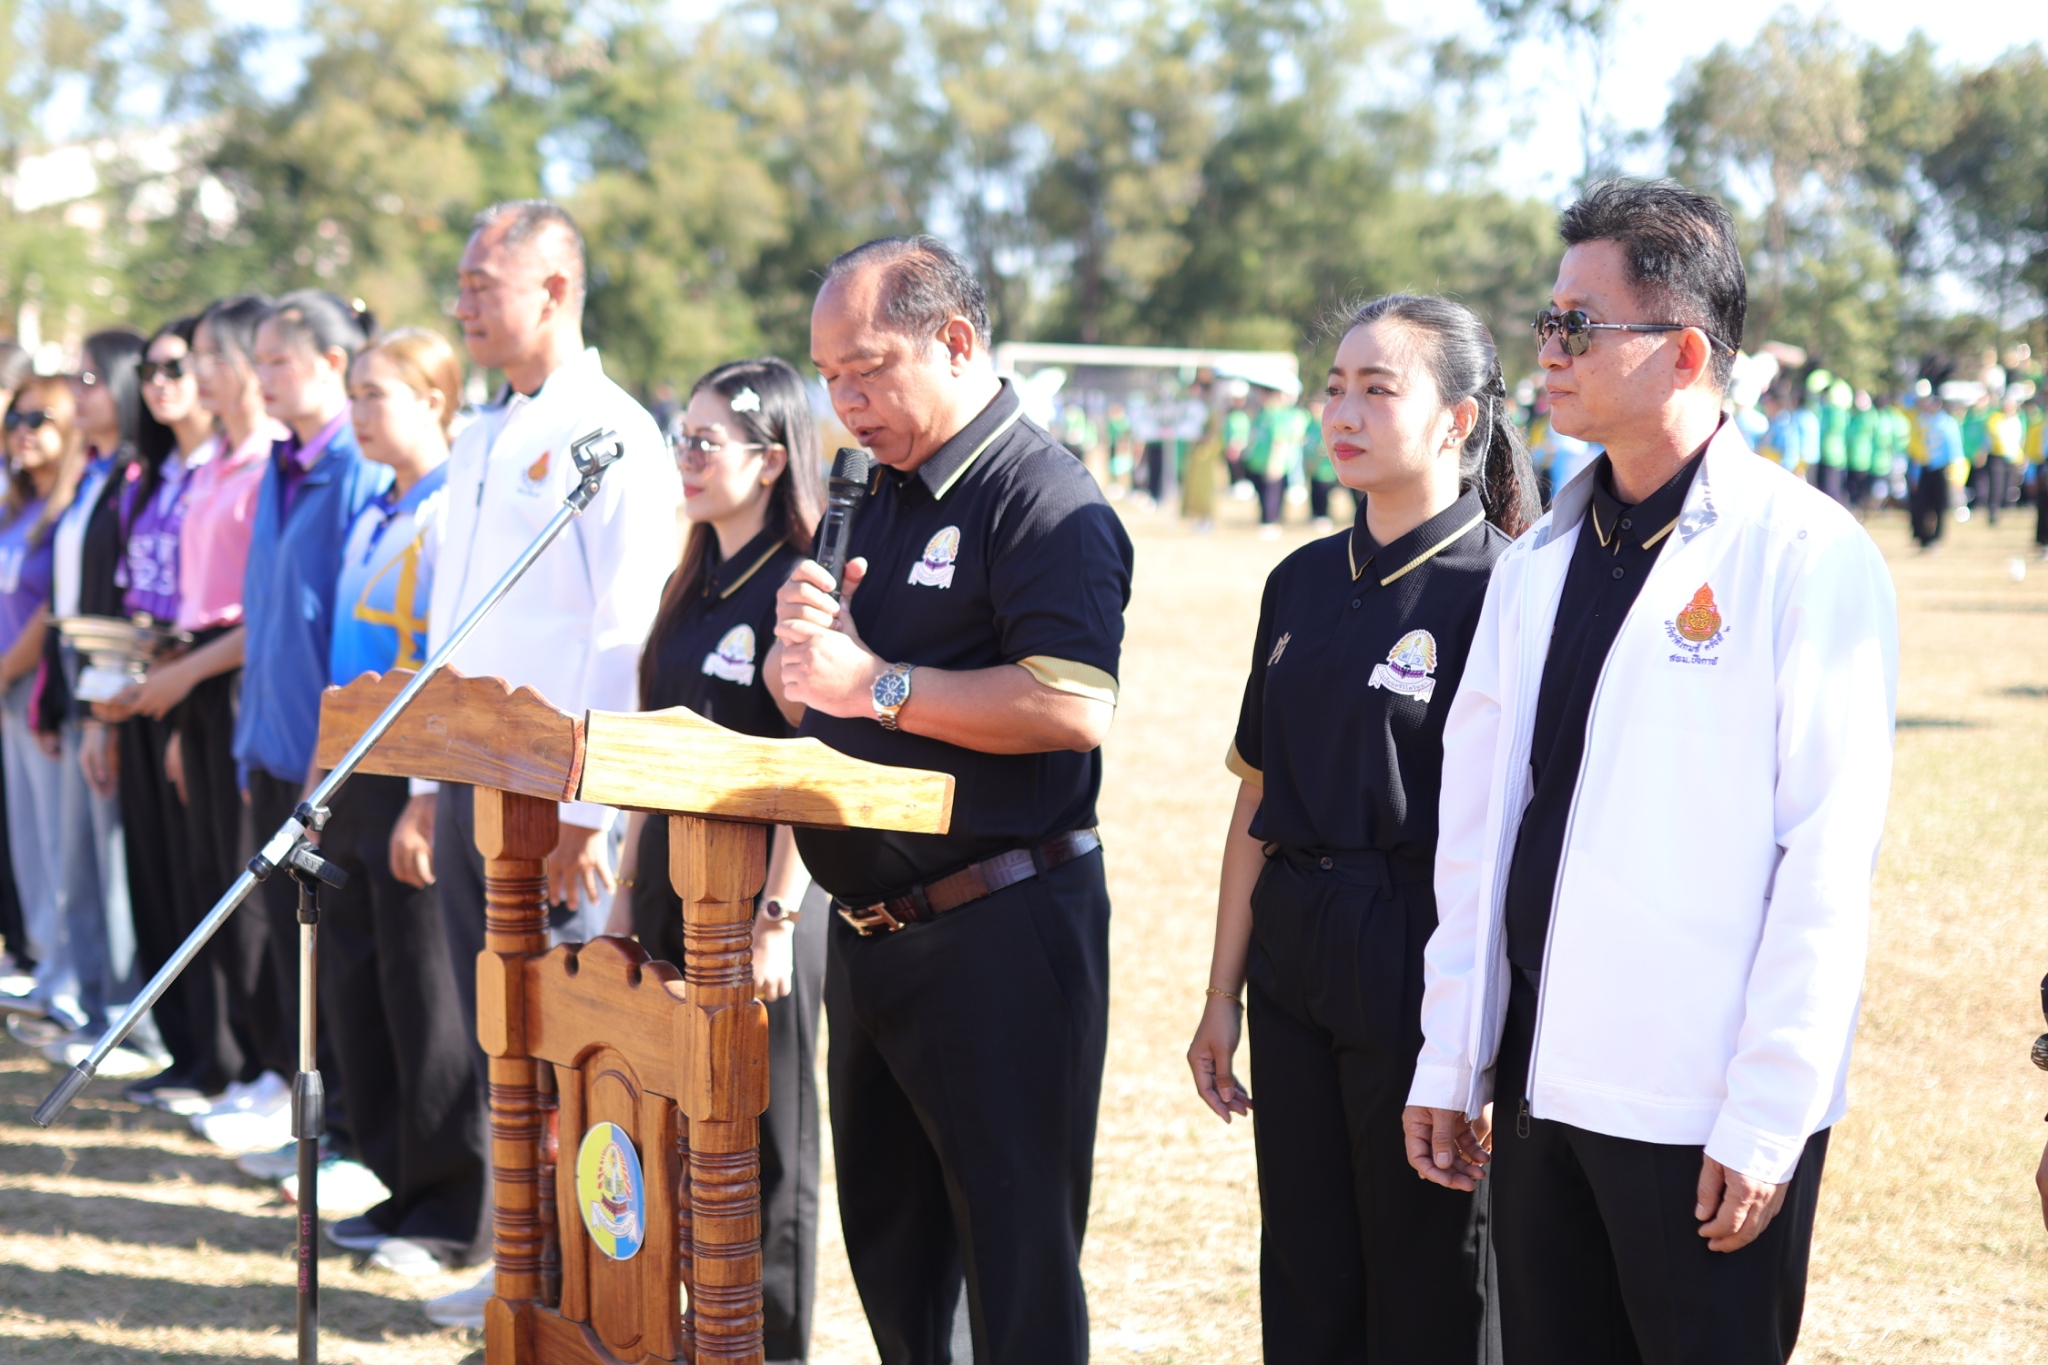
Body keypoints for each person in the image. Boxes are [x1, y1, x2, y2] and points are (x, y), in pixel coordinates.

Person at [1402, 179, 1897, 1365]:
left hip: (1696, 1110)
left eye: (1579, 324)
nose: (1547, 349)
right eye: (1546, 320)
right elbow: (1477, 832)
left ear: (1682, 352)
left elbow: (1824, 861)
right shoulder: (1535, 562)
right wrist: (1451, 1053)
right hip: (1537, 1092)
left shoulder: (1803, 554)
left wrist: (1768, 1115)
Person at [771, 234, 1131, 1365]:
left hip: (998, 931)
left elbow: (1069, 705)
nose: (844, 402)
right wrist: (801, 670)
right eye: (828, 377)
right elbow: (828, 698)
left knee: (1014, 1277)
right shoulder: (868, 493)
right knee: (897, 1262)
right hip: (871, 936)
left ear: (957, 341)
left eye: (867, 370)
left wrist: (872, 683)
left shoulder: (1042, 496)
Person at [1187, 293, 1537, 1364]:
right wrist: (1220, 997)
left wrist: (1477, 1043)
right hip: (1292, 947)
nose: (1341, 412)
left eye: (1377, 390)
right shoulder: (1297, 580)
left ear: (1457, 419)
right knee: (1306, 1271)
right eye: (1333, 388)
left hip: (1421, 953)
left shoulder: (1508, 589)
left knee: (1429, 1272)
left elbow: (1515, 841)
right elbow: (1256, 799)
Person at [404, 199, 678, 1329]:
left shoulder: (613, 432)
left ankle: (585, 1280)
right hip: (473, 780)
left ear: (555, 289)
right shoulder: (481, 432)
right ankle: (520, 1260)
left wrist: (589, 809)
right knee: (504, 1032)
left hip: (557, 799)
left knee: (575, 1048)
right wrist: (424, 779)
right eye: (462, 283)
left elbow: (622, 633)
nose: (462, 302)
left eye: (484, 283)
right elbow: (451, 622)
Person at [601, 356, 827, 1363]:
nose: (684, 459)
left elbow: (810, 765)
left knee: (763, 1145)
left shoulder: (798, 586)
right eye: (679, 438)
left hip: (758, 906)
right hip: (665, 890)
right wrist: (621, 904)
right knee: (668, 1125)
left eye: (706, 441)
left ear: (771, 460)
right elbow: (649, 754)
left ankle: (769, 1345)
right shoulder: (688, 582)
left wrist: (777, 915)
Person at [304, 328, 486, 1276]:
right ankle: (397, 1180)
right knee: (363, 978)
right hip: (354, 766)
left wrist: (427, 793)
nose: (359, 413)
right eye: (357, 395)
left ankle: (453, 1206)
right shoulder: (380, 505)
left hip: (416, 765)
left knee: (425, 989)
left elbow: (448, 660)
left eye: (377, 394)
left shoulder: (453, 507)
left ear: (435, 401)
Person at [231, 290, 391, 1159]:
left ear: (333, 362)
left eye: (278, 360)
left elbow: (346, 628)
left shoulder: (355, 469)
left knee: (334, 957)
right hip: (268, 739)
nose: (262, 377)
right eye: (257, 360)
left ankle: (346, 1135)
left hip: (323, 757)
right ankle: (303, 1115)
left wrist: (324, 757)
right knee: (285, 945)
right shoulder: (280, 461)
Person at [121, 294, 289, 1114]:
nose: (203, 374)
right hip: (195, 676)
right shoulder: (212, 462)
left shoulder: (270, 461)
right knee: (207, 867)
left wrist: (188, 676)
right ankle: (234, 1059)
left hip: (234, 675)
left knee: (249, 878)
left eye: (215, 358)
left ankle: (271, 1066)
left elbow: (261, 610)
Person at [0, 378, 88, 1044]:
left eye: (40, 418)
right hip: (9, 687)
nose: (22, 431)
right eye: (15, 418)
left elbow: (51, 606)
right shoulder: (18, 507)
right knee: (28, 835)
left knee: (61, 841)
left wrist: (7, 669)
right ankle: (44, 963)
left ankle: (69, 978)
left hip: (36, 685)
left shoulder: (69, 508)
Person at [1912, 391, 1961, 551]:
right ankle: (1922, 537)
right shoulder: (1922, 421)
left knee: (1939, 505)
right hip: (1925, 467)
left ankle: (1937, 537)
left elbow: (1954, 449)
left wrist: (1955, 473)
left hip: (1942, 469)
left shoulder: (1948, 423)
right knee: (1922, 504)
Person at [1985, 387, 2023, 526]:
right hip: (1998, 456)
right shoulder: (1995, 418)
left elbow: (2019, 439)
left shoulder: (2017, 419)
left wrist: (2019, 456)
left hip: (2012, 457)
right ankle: (1993, 513)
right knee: (1996, 486)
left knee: (2010, 486)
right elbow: (1996, 437)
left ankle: (2006, 510)